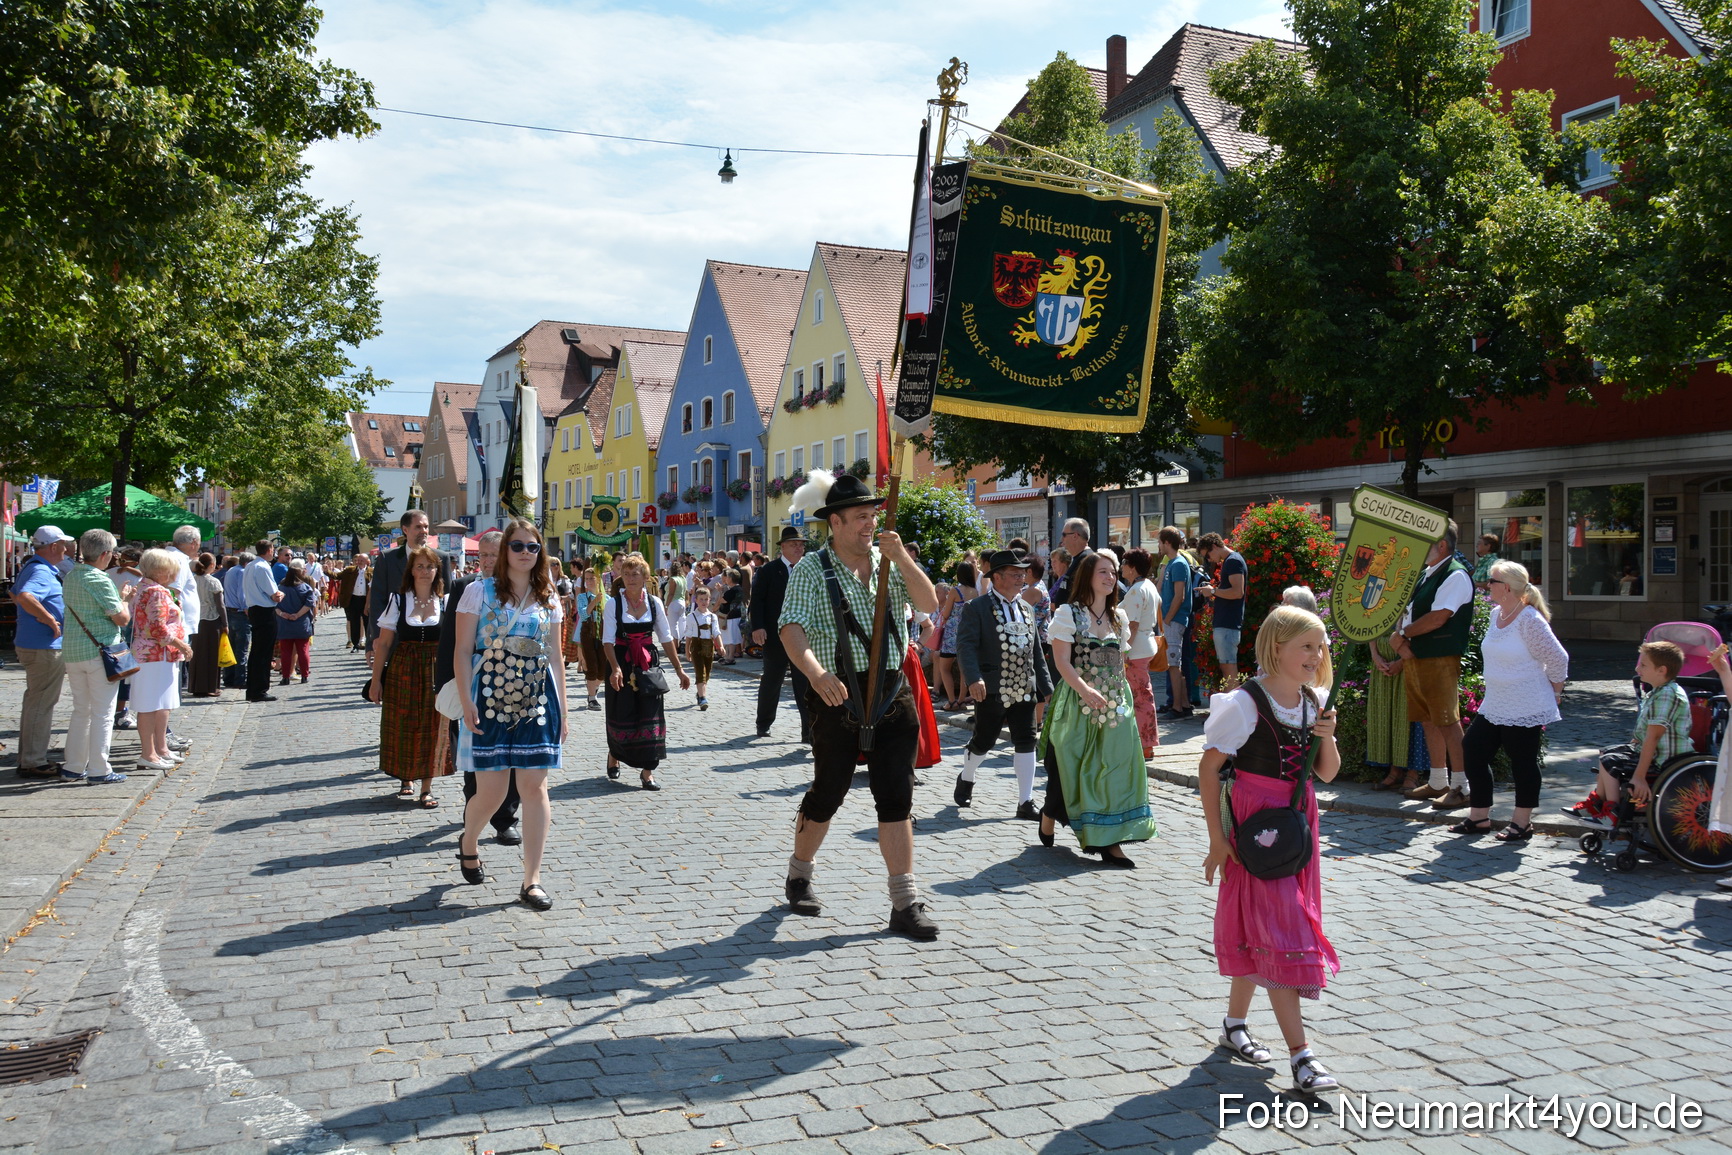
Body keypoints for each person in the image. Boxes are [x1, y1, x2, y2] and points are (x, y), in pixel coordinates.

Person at [779, 470, 941, 940]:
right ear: (835, 523)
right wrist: (816, 673)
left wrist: (903, 559)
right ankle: (799, 873)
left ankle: (905, 903)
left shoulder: (888, 559)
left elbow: (928, 601)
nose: (869, 524)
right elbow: (792, 629)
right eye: (859, 518)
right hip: (837, 694)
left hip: (893, 691)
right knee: (828, 792)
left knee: (896, 796)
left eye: (872, 515)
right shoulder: (812, 570)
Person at [1199, 604, 1341, 1095]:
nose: (1316, 654)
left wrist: (1328, 736)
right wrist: (1219, 839)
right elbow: (1209, 768)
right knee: (1281, 928)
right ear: (1276, 647)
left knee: (1262, 926)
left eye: (1320, 646)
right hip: (1257, 823)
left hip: (1297, 820)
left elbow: (1326, 773)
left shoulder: (1313, 699)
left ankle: (1234, 1025)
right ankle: (1302, 1056)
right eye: (1306, 645)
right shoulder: (1243, 703)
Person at [454, 519, 565, 910]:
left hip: (537, 699)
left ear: (541, 553)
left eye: (532, 547)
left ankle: (531, 880)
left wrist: (564, 710)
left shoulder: (549, 596)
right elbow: (463, 649)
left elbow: (555, 656)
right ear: (505, 552)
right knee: (492, 792)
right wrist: (467, 701)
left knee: (535, 788)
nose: (524, 553)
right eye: (517, 546)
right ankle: (469, 841)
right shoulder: (477, 592)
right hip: (489, 695)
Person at [1035, 550, 1157, 865]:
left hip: (1115, 704)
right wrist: (1086, 689)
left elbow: (1121, 662)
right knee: (1068, 768)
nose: (1110, 577)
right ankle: (1049, 813)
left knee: (1114, 769)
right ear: (1087, 576)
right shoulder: (1068, 614)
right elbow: (1061, 662)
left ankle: (1109, 840)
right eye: (1103, 571)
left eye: (1113, 572)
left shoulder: (1118, 618)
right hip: (1077, 702)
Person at [1452, 561, 1567, 840]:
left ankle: (1522, 822)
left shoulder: (1530, 619)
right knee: (1473, 749)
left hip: (1525, 701)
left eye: (1491, 581)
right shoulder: (1496, 614)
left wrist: (1555, 693)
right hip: (1497, 700)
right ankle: (1479, 817)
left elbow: (1558, 658)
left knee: (1522, 761)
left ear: (1506, 587)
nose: (1486, 585)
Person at [953, 549, 1052, 818]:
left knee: (1026, 740)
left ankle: (1025, 801)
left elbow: (1036, 652)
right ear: (997, 577)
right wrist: (974, 678)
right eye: (1015, 573)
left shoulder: (1027, 609)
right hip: (992, 687)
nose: (1022, 577)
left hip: (1024, 686)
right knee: (984, 741)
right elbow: (966, 647)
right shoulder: (978, 608)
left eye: (1023, 573)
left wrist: (1047, 688)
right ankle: (968, 775)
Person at [435, 531, 520, 844]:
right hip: (475, 683)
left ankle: (506, 818)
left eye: (492, 555)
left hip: (514, 683)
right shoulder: (463, 588)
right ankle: (475, 809)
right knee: (477, 752)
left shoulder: (522, 589)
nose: (485, 561)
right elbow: (450, 643)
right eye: (482, 555)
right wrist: (447, 684)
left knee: (511, 750)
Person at [1562, 640, 1691, 826]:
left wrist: (1639, 777)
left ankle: (1613, 812)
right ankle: (1597, 803)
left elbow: (1653, 736)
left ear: (1661, 670)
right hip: (1654, 751)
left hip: (1664, 759)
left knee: (1610, 761)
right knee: (1606, 752)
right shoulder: (1658, 692)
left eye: (1644, 665)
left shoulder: (1667, 695)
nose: (1638, 668)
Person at [1394, 522, 1473, 810]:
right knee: (1428, 719)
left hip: (1439, 657)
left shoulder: (1455, 575)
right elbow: (1412, 612)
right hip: (1420, 657)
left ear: (1442, 545)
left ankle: (1463, 786)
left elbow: (1439, 617)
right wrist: (1401, 638)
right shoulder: (1430, 574)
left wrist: (1402, 635)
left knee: (1447, 720)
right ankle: (1439, 779)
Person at [602, 554, 691, 789]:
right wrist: (614, 668)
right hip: (621, 661)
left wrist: (680, 670)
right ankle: (615, 754)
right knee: (622, 713)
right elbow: (607, 640)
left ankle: (647, 772)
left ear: (645, 577)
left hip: (648, 663)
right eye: (627, 574)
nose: (631, 578)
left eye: (635, 574)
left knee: (651, 715)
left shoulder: (654, 603)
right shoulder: (614, 603)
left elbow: (666, 637)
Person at [370, 546, 448, 807]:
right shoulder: (399, 600)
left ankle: (427, 787)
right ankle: (406, 777)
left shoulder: (446, 602)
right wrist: (376, 680)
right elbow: (383, 644)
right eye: (420, 566)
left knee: (433, 726)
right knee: (404, 724)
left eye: (430, 566)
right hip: (403, 668)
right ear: (411, 571)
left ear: (437, 570)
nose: (425, 571)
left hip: (435, 669)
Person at [59, 529, 131, 784]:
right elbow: (121, 618)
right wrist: (124, 600)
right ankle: (100, 769)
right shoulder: (98, 579)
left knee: (81, 710)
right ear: (104, 554)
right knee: (103, 712)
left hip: (74, 651)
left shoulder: (71, 575)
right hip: (100, 652)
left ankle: (73, 766)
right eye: (111, 553)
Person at [13, 526, 72, 777]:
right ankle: (33, 761)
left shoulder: (34, 567)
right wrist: (48, 618)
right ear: (54, 546)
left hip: (34, 643)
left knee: (35, 702)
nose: (68, 549)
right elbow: (25, 596)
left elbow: (14, 594)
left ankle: (29, 756)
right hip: (44, 647)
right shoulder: (40, 570)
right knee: (41, 704)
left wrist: (38, 615)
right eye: (64, 544)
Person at [131, 549, 194, 773]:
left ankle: (160, 748)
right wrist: (181, 645)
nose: (174, 575)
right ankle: (149, 753)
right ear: (161, 570)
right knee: (151, 704)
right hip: (155, 655)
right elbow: (158, 628)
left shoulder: (145, 587)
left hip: (157, 655)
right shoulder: (156, 591)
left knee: (161, 703)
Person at [750, 526, 812, 742]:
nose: (799, 547)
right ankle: (763, 723)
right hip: (775, 636)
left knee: (805, 683)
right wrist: (757, 627)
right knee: (772, 680)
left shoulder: (808, 569)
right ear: (783, 547)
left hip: (804, 636)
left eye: (801, 544)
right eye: (794, 544)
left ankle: (809, 730)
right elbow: (756, 601)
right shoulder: (768, 571)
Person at [367, 510, 451, 644]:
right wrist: (374, 640)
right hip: (394, 641)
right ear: (405, 529)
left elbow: (448, 598)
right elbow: (377, 601)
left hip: (434, 642)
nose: (424, 531)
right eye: (418, 527)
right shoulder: (388, 558)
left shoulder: (441, 558)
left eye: (426, 526)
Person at [1118, 548, 1162, 760]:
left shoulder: (1136, 590)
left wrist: (1125, 649)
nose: (1121, 567)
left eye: (1124, 563)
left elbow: (1132, 624)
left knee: (1139, 697)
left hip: (1136, 649)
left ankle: (1145, 744)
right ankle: (1144, 743)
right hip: (1145, 644)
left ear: (1132, 568)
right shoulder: (1148, 586)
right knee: (1142, 695)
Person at [1197, 532, 1248, 689]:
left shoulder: (1233, 561)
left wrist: (1212, 591)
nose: (1209, 560)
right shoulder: (1231, 561)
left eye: (1208, 555)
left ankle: (1235, 709)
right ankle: (1233, 708)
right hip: (1227, 623)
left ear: (1214, 546)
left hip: (1228, 624)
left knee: (1229, 670)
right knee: (1227, 669)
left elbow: (1237, 592)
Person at [1156, 526, 1194, 718]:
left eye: (1160, 542)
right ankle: (1185, 704)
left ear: (1167, 543)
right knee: (1175, 663)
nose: (1159, 546)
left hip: (1174, 620)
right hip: (1171, 620)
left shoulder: (1178, 564)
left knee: (1173, 665)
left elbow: (1179, 596)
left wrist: (1168, 619)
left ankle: (1177, 707)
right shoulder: (1172, 563)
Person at [243, 540, 284, 702]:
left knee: (256, 652)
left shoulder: (250, 566)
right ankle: (259, 690)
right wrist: (281, 594)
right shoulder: (263, 567)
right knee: (264, 653)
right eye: (273, 549)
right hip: (264, 611)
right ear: (269, 550)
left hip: (254, 609)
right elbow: (275, 594)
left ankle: (252, 689)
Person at [185, 553, 228, 698]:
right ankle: (210, 686)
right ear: (211, 565)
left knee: (197, 654)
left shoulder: (192, 579)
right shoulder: (213, 582)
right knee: (211, 654)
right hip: (211, 619)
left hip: (196, 619)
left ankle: (196, 686)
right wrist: (225, 623)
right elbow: (220, 605)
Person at [679, 585, 720, 710]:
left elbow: (716, 633)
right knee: (700, 672)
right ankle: (703, 698)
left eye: (706, 599)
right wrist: (687, 651)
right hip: (696, 646)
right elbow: (688, 636)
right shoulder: (691, 617)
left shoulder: (712, 617)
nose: (703, 602)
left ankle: (700, 693)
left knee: (707, 672)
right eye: (701, 599)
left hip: (709, 646)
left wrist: (721, 647)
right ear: (696, 600)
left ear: (709, 600)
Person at [274, 562, 316, 685]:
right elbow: (309, 604)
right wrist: (297, 615)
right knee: (303, 650)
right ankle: (304, 675)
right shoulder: (305, 587)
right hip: (301, 623)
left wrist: (283, 614)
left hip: (284, 624)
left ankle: (286, 676)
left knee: (286, 652)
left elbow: (275, 605)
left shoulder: (280, 588)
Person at [577, 561, 607, 710]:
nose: (588, 581)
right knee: (592, 666)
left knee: (603, 669)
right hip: (588, 633)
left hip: (603, 634)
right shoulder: (583, 597)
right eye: (586, 579)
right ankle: (592, 698)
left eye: (591, 578)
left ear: (598, 579)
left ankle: (593, 687)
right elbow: (583, 614)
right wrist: (595, 601)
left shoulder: (606, 597)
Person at [221, 553, 252, 689]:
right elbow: (242, 593)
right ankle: (239, 680)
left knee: (232, 647)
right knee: (241, 649)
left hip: (230, 611)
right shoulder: (242, 572)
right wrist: (246, 608)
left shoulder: (231, 570)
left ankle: (228, 678)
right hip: (239, 613)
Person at [1049, 520, 1093, 607]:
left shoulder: (1086, 560)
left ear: (1075, 536)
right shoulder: (1079, 558)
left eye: (1064, 535)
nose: (1062, 540)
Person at [339, 555, 368, 650]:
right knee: (354, 622)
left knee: (368, 622)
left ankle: (369, 644)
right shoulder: (350, 570)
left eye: (361, 560)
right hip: (354, 599)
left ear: (367, 561)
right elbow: (338, 576)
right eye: (358, 560)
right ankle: (355, 644)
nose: (359, 562)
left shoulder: (371, 571)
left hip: (366, 600)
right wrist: (327, 571)